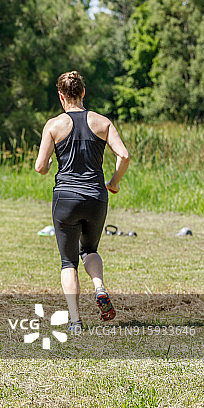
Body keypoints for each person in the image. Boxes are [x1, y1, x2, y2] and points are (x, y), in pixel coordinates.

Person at [34, 70, 130, 333]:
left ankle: (76, 321)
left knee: (68, 262)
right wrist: (113, 182)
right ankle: (99, 287)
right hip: (96, 198)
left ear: (61, 96)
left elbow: (40, 167)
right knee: (89, 250)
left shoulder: (54, 125)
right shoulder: (103, 122)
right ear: (83, 93)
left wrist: (51, 162)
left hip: (65, 199)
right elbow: (124, 156)